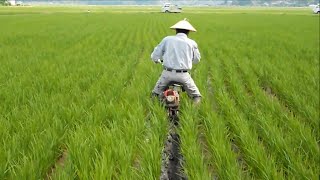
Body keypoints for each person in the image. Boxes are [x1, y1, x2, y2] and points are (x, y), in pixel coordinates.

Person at [150, 18, 202, 104]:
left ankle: (153, 111)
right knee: (196, 96)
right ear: (188, 32)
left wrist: (156, 60)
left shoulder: (167, 39)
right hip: (183, 75)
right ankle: (192, 114)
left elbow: (155, 54)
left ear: (176, 30)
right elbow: (196, 60)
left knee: (155, 94)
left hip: (167, 74)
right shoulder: (192, 43)